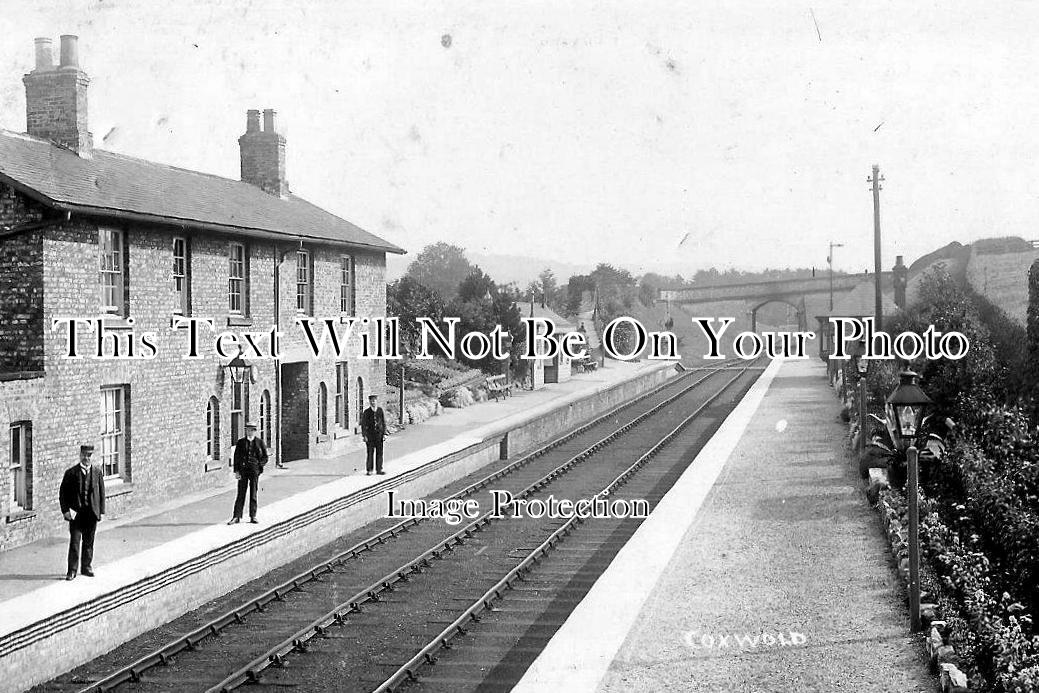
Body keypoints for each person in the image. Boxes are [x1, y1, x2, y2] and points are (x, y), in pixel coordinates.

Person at [59, 444, 105, 581]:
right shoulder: (71, 473)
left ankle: (86, 567)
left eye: (89, 455)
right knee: (74, 542)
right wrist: (65, 511)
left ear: (92, 456)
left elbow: (101, 493)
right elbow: (63, 494)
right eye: (84, 455)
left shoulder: (97, 472)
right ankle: (72, 570)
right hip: (76, 514)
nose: (86, 458)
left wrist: (101, 511)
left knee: (89, 542)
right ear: (80, 455)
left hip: (91, 514)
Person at [228, 422, 267, 524]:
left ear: (255, 431)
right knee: (241, 493)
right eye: (248, 430)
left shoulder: (260, 442)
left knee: (253, 493)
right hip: (243, 471)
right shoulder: (241, 442)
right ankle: (236, 516)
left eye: (251, 430)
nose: (249, 432)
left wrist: (259, 466)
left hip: (254, 471)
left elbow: (265, 457)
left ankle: (253, 516)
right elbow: (236, 457)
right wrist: (236, 471)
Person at [360, 394, 387, 475]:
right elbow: (363, 425)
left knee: (380, 453)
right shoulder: (367, 412)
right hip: (370, 436)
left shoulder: (380, 410)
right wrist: (364, 436)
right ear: (369, 402)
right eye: (371, 401)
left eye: (374, 401)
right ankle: (369, 470)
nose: (373, 402)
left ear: (376, 401)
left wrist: (384, 434)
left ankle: (379, 469)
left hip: (379, 436)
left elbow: (383, 422)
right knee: (370, 453)